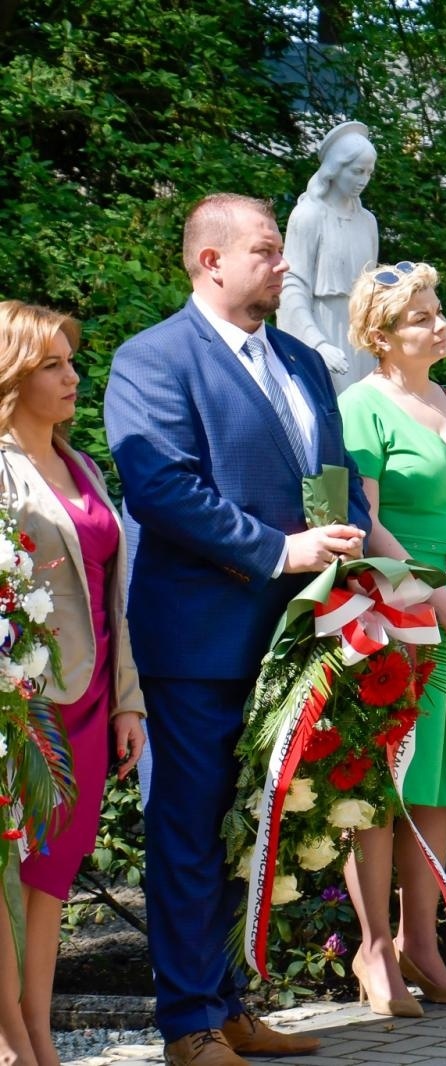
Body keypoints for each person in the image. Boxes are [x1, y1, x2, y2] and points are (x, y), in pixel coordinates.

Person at [105, 193, 369, 1066]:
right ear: (209, 261)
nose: (282, 262)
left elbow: (330, 473)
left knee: (255, 828)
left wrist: (342, 557)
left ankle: (231, 1001)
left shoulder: (297, 357)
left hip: (294, 640)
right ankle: (188, 1023)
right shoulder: (153, 360)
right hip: (199, 640)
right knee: (189, 829)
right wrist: (281, 552)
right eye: (264, 249)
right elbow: (164, 491)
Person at [337, 261, 446, 1014]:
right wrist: (434, 595)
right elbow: (364, 518)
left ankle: (425, 947)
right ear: (379, 335)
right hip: (395, 615)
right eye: (418, 318)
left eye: (437, 311)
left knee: (435, 787)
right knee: (383, 788)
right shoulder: (362, 408)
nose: (437, 325)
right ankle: (374, 951)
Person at [0, 303, 146, 1066]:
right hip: (20, 701)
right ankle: (14, 1039)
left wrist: (128, 700)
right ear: (14, 376)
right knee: (6, 868)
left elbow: (113, 593)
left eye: (70, 360)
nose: (73, 376)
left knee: (53, 871)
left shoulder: (81, 463)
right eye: (53, 364)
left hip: (91, 700)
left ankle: (40, 1030)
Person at [280, 121, 380, 393]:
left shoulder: (368, 221)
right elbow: (292, 287)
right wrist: (317, 343)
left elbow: (372, 289)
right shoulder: (309, 216)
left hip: (362, 338)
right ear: (335, 169)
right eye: (357, 171)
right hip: (323, 329)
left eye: (369, 173)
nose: (363, 180)